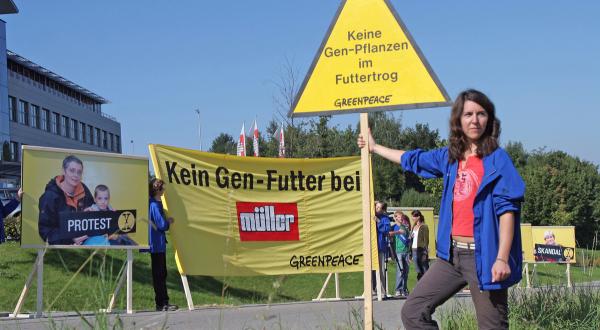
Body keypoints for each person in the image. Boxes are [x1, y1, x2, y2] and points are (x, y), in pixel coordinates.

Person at [358, 89, 525, 329]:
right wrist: (374, 148)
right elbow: (413, 159)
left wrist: (501, 258)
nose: (474, 120)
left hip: (485, 257)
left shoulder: (498, 160)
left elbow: (507, 212)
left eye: (481, 114)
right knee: (413, 312)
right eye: (468, 114)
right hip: (451, 257)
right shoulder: (450, 157)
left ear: (490, 120)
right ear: (458, 119)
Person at [38, 155, 94, 245]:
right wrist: (71, 237)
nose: (76, 175)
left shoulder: (84, 190)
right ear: (63, 171)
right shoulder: (50, 197)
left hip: (87, 245)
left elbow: (94, 215)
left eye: (79, 172)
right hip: (62, 251)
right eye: (72, 171)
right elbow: (45, 232)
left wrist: (94, 211)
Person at [147, 178, 177, 311]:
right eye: (162, 188)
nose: (164, 190)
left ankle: (162, 302)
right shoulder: (154, 204)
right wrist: (168, 221)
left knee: (161, 273)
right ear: (157, 190)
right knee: (159, 274)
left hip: (158, 243)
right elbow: (162, 225)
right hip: (156, 244)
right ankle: (162, 303)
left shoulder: (154, 203)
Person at [389, 211, 411, 297]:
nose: (401, 218)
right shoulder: (393, 227)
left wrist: (394, 233)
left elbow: (402, 232)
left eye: (402, 217)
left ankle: (404, 289)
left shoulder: (405, 226)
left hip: (406, 251)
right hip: (398, 251)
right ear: (395, 218)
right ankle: (398, 289)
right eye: (399, 217)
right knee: (400, 271)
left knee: (406, 272)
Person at [374, 201, 391, 296]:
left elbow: (387, 230)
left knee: (381, 270)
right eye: (376, 207)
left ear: (383, 209)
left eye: (379, 208)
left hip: (380, 246)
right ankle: (373, 289)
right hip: (371, 247)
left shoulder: (384, 218)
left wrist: (379, 222)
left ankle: (383, 291)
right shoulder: (370, 215)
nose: (377, 209)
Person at [411, 210, 430, 281]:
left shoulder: (424, 226)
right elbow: (413, 238)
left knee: (424, 267)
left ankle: (427, 283)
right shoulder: (414, 226)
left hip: (421, 249)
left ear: (418, 217)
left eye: (413, 216)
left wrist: (425, 251)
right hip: (414, 249)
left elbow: (426, 239)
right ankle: (420, 284)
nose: (412, 218)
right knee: (417, 268)